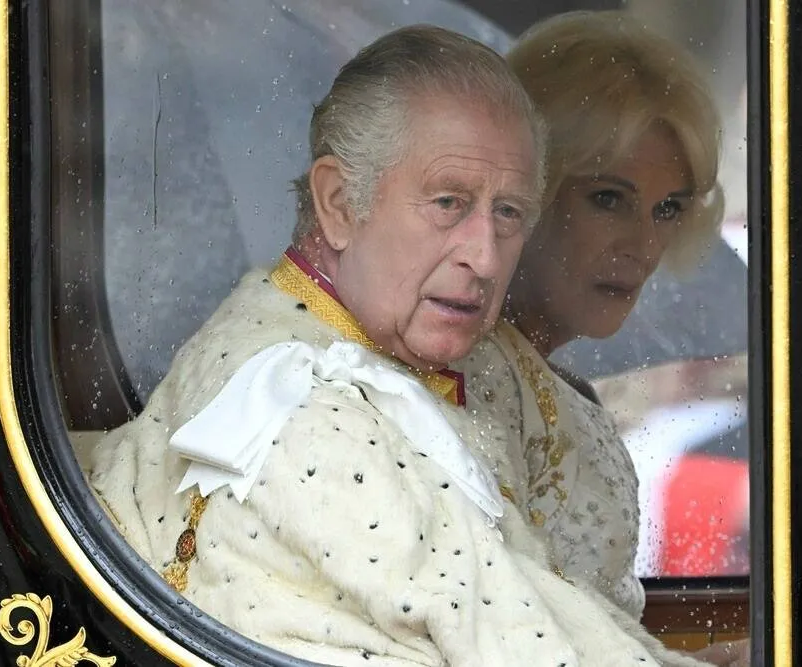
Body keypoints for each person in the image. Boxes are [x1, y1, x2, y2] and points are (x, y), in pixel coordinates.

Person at [89, 24, 707, 667]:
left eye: (509, 214)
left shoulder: (456, 358)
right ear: (337, 203)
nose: (486, 257)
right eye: (449, 203)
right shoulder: (304, 411)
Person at [457, 12, 746, 665]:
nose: (644, 245)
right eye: (610, 199)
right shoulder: (454, 383)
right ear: (528, 188)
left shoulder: (555, 387)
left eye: (668, 208)